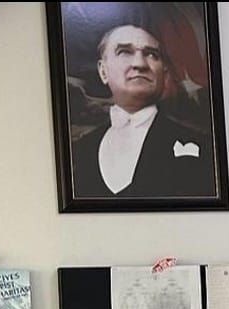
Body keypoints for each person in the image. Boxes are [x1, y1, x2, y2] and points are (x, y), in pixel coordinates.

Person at [71, 22, 217, 199]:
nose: (140, 64)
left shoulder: (204, 145)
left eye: (152, 54)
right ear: (103, 71)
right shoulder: (80, 150)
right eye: (124, 52)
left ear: (164, 73)